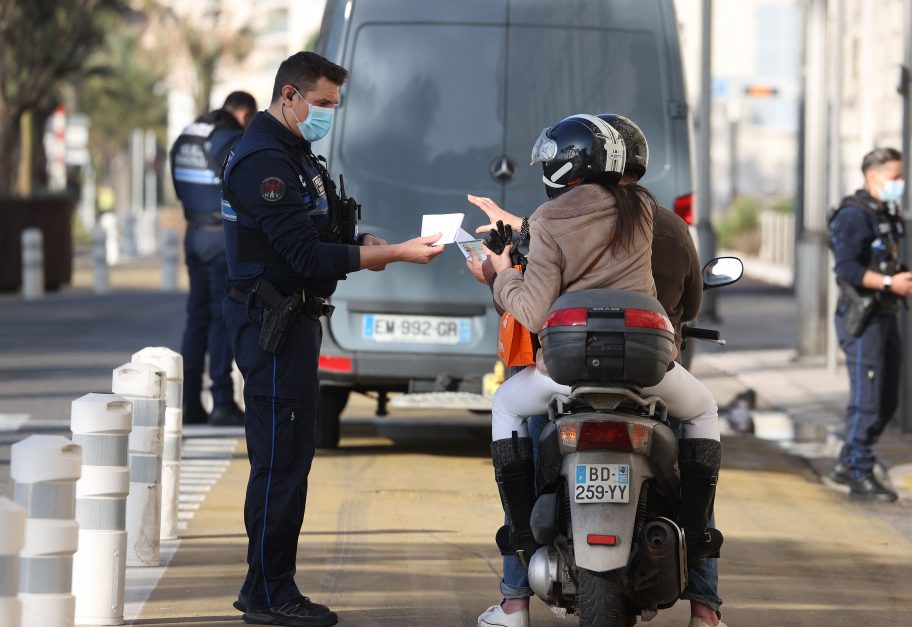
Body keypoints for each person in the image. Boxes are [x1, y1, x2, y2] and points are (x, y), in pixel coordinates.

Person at [468, 114, 725, 627]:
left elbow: (537, 309)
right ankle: (698, 553)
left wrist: (499, 276)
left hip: (568, 370)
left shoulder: (548, 218)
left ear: (566, 166)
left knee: (506, 405)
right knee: (702, 411)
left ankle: (519, 554)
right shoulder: (643, 211)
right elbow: (600, 241)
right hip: (647, 367)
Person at [220, 51, 444, 627]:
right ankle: (273, 595)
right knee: (279, 464)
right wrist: (388, 255)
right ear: (288, 96)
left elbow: (315, 227)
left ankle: (261, 587)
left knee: (290, 459)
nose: (327, 115)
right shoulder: (262, 160)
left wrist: (362, 236)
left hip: (294, 323)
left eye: (333, 106)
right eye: (320, 104)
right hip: (271, 327)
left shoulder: (296, 154)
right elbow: (300, 253)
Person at [828, 147, 912, 502]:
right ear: (873, 177)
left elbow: (888, 259)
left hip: (886, 314)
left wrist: (903, 278)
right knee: (867, 401)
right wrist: (888, 284)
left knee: (886, 400)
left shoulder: (886, 211)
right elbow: (847, 269)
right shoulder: (854, 215)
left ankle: (846, 460)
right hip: (862, 319)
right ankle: (859, 471)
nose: (899, 184)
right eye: (895, 178)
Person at [171, 90, 258, 426]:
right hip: (221, 238)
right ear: (244, 115)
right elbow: (243, 185)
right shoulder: (228, 137)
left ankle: (190, 402)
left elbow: (179, 189)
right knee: (223, 318)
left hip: (193, 233)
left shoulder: (187, 136)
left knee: (197, 319)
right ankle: (222, 401)